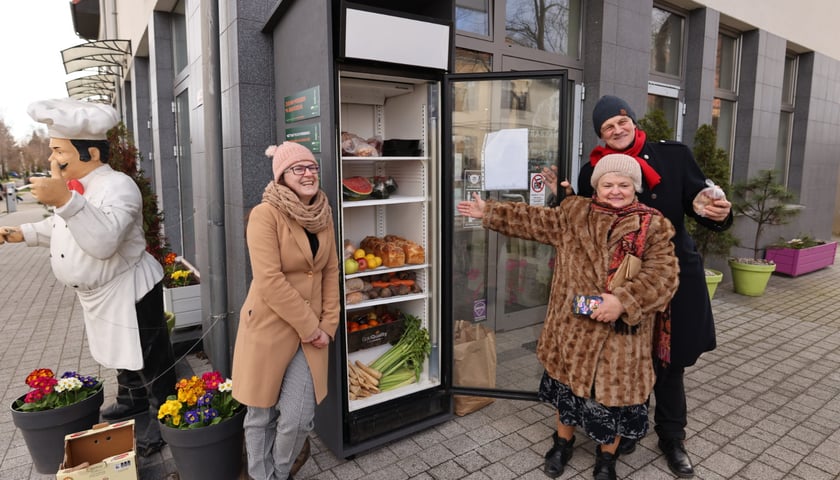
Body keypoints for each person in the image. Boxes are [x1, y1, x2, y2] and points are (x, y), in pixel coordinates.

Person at [457, 154, 680, 480]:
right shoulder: (574, 213)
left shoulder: (653, 225)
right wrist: (489, 211)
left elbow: (665, 275)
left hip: (622, 334)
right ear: (596, 187)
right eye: (608, 184)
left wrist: (622, 302)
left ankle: (607, 458)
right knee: (568, 392)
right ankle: (562, 443)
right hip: (572, 328)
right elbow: (533, 220)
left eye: (624, 184)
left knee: (614, 399)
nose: (615, 190)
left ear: (636, 187)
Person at [544, 95, 733, 478]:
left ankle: (672, 437)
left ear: (631, 120)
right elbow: (584, 224)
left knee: (670, 361)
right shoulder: (591, 171)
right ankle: (628, 426)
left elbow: (705, 206)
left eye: (621, 121)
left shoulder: (674, 157)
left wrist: (718, 213)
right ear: (600, 134)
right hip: (615, 286)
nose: (617, 129)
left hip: (669, 277)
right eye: (607, 127)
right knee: (625, 357)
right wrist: (561, 201)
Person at [0, 98, 177, 457]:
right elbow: (64, 228)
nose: (52, 161)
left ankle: (166, 415)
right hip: (100, 294)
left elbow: (103, 241)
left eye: (58, 152)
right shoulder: (80, 190)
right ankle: (131, 401)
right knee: (121, 354)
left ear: (91, 152)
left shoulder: (118, 187)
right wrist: (27, 233)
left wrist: (65, 200)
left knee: (149, 357)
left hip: (129, 288)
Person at [232, 141, 340, 480]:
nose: (308, 174)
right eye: (298, 168)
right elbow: (269, 279)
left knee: (298, 418)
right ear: (281, 175)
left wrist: (330, 323)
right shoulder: (265, 214)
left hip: (313, 333)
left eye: (312, 167)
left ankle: (278, 473)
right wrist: (312, 326)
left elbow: (330, 271)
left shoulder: (323, 214)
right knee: (261, 415)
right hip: (269, 326)